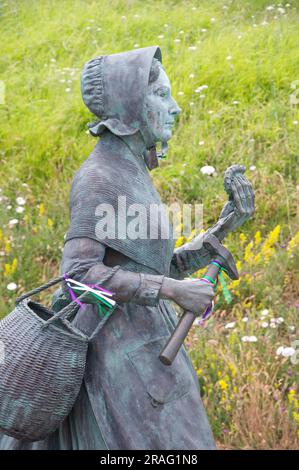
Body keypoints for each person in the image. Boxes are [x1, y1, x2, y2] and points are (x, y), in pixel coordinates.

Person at [0, 46, 254, 450]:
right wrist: (172, 291)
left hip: (148, 349)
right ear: (131, 106)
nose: (175, 108)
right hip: (113, 364)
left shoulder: (132, 168)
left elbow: (154, 266)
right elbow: (78, 280)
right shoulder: (100, 177)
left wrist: (226, 225)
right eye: (161, 95)